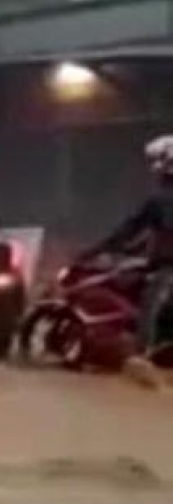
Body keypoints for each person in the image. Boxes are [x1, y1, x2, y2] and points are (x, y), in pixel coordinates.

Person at [77, 135, 173, 355]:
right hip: (158, 263)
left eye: (156, 162)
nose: (153, 169)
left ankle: (143, 355)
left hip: (167, 269)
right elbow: (141, 234)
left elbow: (129, 230)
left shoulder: (162, 200)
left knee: (150, 307)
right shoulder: (160, 200)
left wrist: (96, 250)